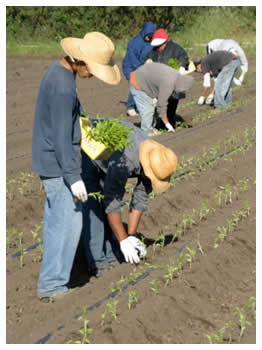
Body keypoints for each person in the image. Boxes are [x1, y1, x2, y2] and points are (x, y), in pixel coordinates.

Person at [31, 32, 121, 301]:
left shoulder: (60, 73)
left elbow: (68, 123)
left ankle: (53, 279)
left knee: (57, 223)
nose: (92, 75)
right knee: (67, 225)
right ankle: (52, 285)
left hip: (52, 162)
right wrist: (74, 176)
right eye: (92, 69)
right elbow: (60, 136)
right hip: (58, 166)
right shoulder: (63, 87)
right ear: (79, 61)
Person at [81, 120, 178, 276]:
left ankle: (113, 251)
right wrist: (123, 241)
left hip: (109, 155)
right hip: (88, 148)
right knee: (94, 204)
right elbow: (112, 203)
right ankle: (97, 261)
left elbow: (140, 199)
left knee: (107, 208)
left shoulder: (155, 158)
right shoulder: (127, 161)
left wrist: (131, 236)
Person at [129, 62, 193, 135]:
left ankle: (152, 128)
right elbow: (161, 105)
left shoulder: (177, 76)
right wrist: (168, 125)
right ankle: (146, 133)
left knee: (154, 108)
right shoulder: (169, 84)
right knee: (148, 110)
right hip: (138, 82)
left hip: (147, 80)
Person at [144, 28, 190, 128]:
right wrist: (148, 61)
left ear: (165, 42)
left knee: (171, 106)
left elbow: (184, 57)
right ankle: (159, 125)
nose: (158, 48)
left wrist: (182, 66)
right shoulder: (154, 50)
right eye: (157, 46)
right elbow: (148, 57)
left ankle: (170, 125)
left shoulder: (176, 49)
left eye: (160, 46)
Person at [122, 21, 156, 117]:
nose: (149, 38)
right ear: (144, 33)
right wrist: (142, 67)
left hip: (143, 67)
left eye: (151, 36)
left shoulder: (151, 42)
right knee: (136, 85)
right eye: (148, 36)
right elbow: (132, 59)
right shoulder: (134, 43)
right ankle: (130, 107)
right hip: (131, 67)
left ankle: (143, 105)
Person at [204, 38, 248, 105]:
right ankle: (215, 95)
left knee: (227, 73)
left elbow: (244, 62)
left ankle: (222, 99)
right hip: (212, 47)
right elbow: (219, 64)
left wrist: (242, 76)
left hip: (226, 48)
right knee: (216, 71)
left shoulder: (239, 51)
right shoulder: (223, 50)